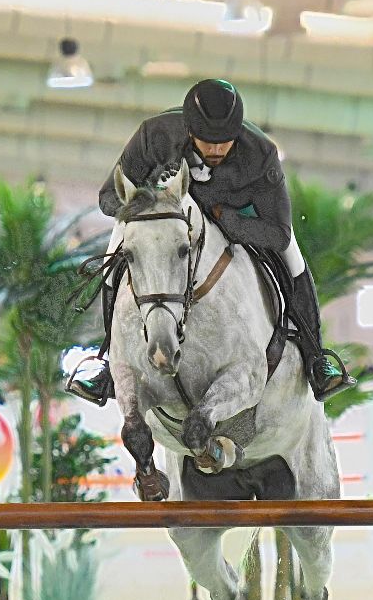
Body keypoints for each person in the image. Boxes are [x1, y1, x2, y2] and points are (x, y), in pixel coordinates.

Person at [67, 78, 353, 406]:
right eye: (208, 142)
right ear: (190, 131)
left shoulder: (260, 154)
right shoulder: (153, 136)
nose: (217, 150)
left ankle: (317, 356)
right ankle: (105, 360)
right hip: (165, 220)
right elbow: (107, 199)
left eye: (225, 142)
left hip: (236, 218)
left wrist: (226, 219)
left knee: (292, 255)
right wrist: (146, 202)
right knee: (119, 247)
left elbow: (278, 233)